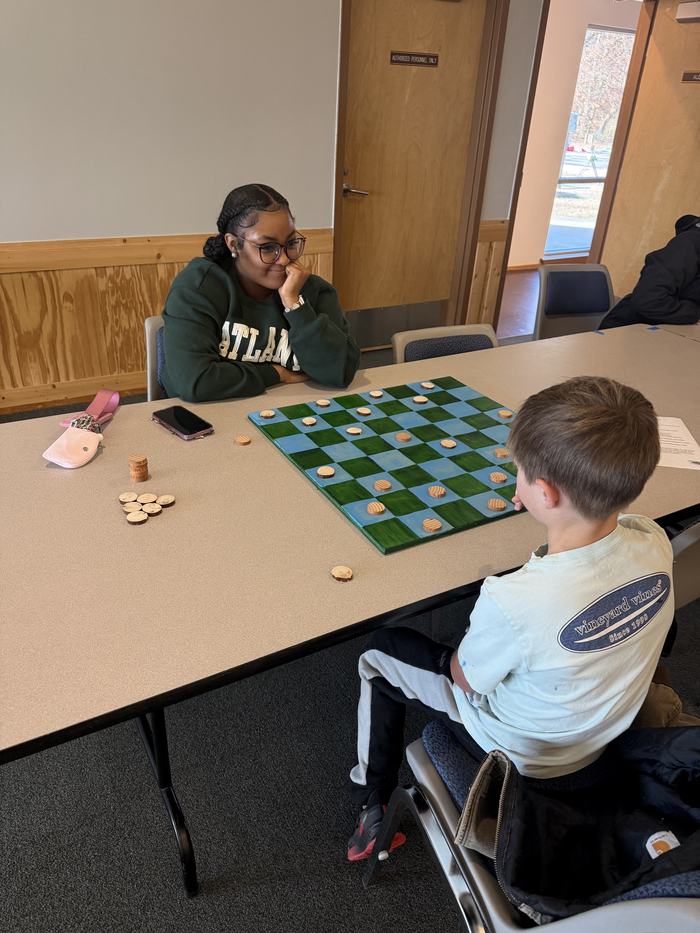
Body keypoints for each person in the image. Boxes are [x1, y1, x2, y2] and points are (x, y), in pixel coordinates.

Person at [347, 376, 674, 862]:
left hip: (520, 754)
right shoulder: (653, 539)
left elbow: (466, 679)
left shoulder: (512, 598)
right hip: (604, 728)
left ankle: (371, 800)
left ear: (544, 493)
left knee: (380, 650)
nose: (513, 479)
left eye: (517, 471)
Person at [160, 183, 360, 401]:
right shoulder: (199, 287)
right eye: (267, 247)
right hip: (213, 414)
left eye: (291, 243)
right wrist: (275, 373)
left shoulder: (312, 291)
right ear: (233, 244)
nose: (284, 259)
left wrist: (294, 305)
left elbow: (341, 371)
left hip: (290, 410)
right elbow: (194, 381)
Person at [599, 213, 700, 329]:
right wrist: (695, 314)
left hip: (673, 329)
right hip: (629, 329)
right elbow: (648, 300)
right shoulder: (689, 244)